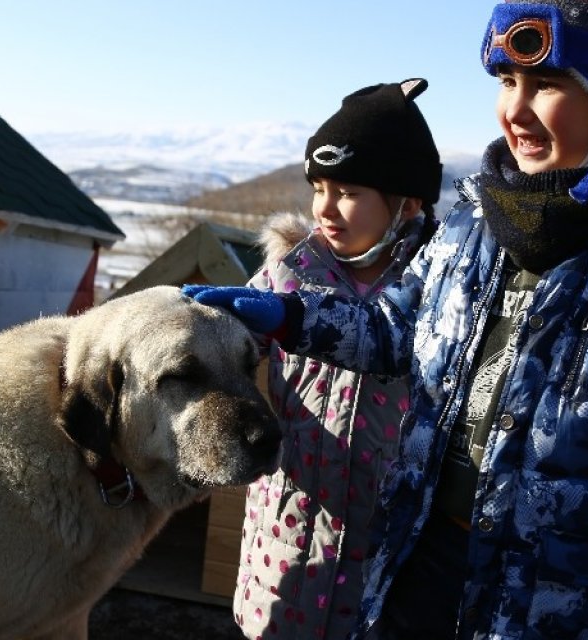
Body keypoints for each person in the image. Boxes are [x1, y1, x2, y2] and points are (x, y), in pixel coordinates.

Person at [189, 1, 588, 638]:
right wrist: (291, 316)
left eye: (545, 84)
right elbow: (394, 332)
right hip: (420, 563)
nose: (515, 110)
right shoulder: (473, 221)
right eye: (507, 82)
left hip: (552, 601)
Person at [229, 78, 443, 640]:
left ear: (407, 204)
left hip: (384, 576)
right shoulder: (287, 277)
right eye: (318, 186)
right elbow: (225, 357)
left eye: (348, 190)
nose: (325, 207)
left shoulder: (443, 296)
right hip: (286, 560)